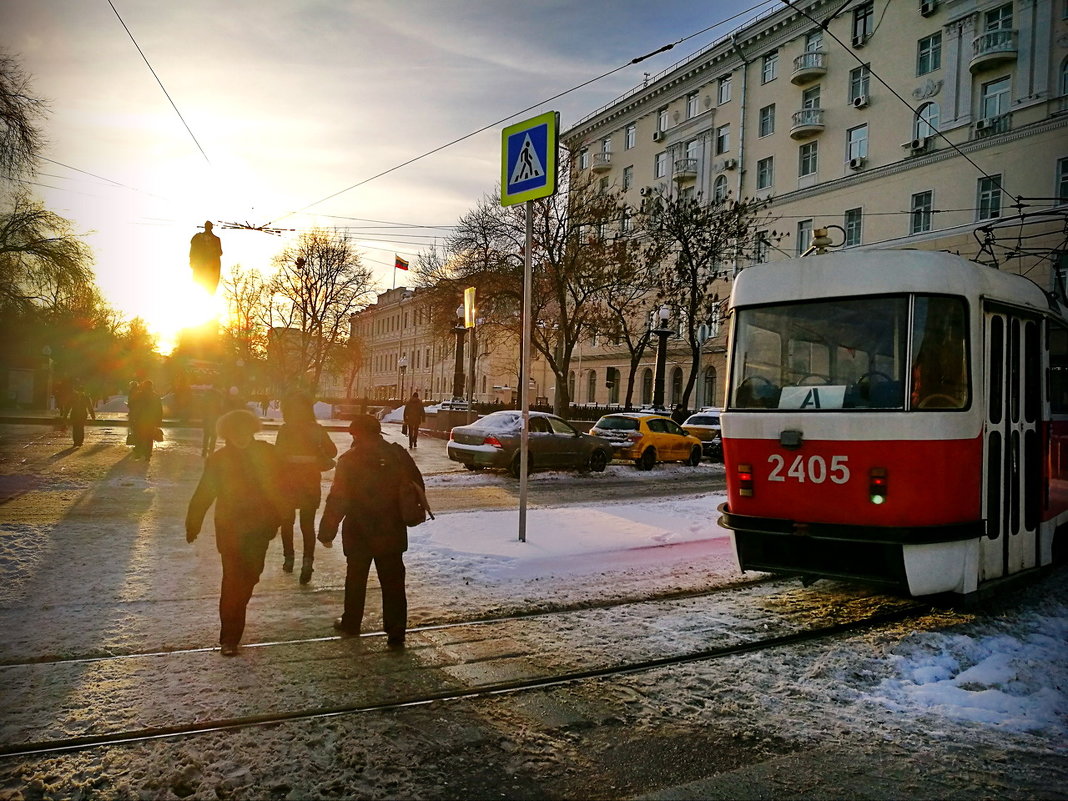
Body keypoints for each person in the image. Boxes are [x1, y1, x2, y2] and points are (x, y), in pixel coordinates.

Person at [185, 409, 286, 656]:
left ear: (252, 430)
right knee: (232, 582)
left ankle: (235, 615)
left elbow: (281, 488)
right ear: (227, 434)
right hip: (230, 528)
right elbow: (205, 492)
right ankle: (229, 637)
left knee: (250, 577)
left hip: (259, 529)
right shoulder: (219, 459)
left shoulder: (267, 453)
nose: (240, 436)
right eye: (235, 432)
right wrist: (193, 521)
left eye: (244, 430)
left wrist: (277, 519)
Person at [318, 414, 424, 647]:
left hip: (359, 530)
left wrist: (327, 531)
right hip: (391, 529)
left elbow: (338, 498)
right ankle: (396, 631)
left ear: (356, 434)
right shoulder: (397, 454)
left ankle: (351, 623)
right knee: (393, 581)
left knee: (356, 578)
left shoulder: (349, 460)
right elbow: (416, 484)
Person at [275, 392, 336, 583]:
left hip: (287, 483)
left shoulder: (285, 430)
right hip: (310, 482)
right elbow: (332, 451)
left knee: (287, 522)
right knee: (307, 525)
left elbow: (277, 455)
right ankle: (308, 562)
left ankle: (288, 559)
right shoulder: (317, 430)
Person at [132, 380, 163, 461]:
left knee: (139, 437)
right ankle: (147, 455)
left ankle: (138, 453)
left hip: (140, 420)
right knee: (149, 438)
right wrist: (159, 421)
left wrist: (133, 418)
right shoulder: (155, 396)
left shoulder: (139, 395)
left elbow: (134, 407)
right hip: (151, 421)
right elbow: (159, 409)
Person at [189, 220, 223, 294]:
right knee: (208, 288)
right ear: (212, 227)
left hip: (202, 266)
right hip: (211, 267)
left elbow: (192, 251)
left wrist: (192, 261)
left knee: (200, 286)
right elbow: (220, 252)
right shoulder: (216, 239)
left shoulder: (198, 237)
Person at [68, 382, 95, 447]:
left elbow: (90, 407)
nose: (80, 393)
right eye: (79, 391)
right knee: (75, 429)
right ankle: (75, 442)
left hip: (82, 415)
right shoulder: (73, 397)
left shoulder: (86, 398)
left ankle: (80, 441)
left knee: (80, 428)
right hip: (74, 415)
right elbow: (68, 406)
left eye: (81, 391)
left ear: (83, 392)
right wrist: (65, 415)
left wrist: (92, 415)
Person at [200, 386, 224, 457]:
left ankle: (204, 452)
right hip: (214, 418)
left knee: (206, 435)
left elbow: (202, 407)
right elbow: (220, 408)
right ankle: (211, 451)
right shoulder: (218, 395)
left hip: (207, 418)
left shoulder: (206, 395)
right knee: (213, 435)